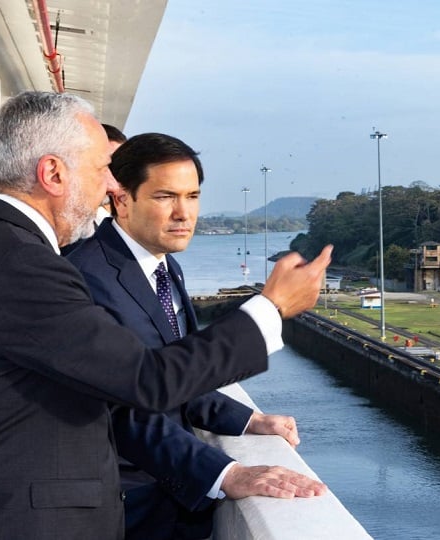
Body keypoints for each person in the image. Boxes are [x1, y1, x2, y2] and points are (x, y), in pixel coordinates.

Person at [0, 91, 332, 539]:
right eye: (101, 168)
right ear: (53, 173)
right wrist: (270, 308)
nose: (108, 186)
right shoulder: (21, 264)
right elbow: (143, 379)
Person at [67, 133, 325, 539]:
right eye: (165, 196)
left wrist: (247, 420)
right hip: (124, 508)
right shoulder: (83, 276)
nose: (183, 214)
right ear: (122, 199)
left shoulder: (165, 267)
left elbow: (179, 372)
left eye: (192, 196)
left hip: (170, 502)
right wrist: (227, 473)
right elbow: (122, 409)